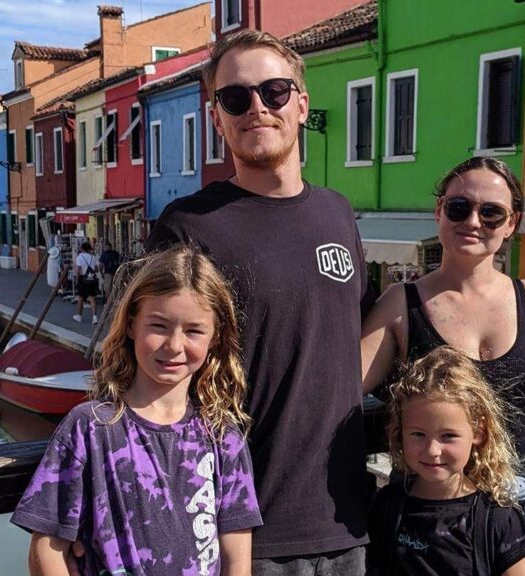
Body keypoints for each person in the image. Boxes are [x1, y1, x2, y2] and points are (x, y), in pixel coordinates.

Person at [145, 29, 373, 575]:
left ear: (301, 103)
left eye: (273, 92)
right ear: (217, 117)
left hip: (348, 520)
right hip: (243, 533)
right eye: (234, 98)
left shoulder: (338, 213)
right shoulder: (187, 226)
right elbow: (138, 372)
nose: (256, 108)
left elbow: (357, 335)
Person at [361, 157, 525, 576]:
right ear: (439, 211)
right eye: (459, 207)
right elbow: (339, 393)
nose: (473, 221)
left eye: (491, 212)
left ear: (512, 223)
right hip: (450, 524)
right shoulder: (401, 305)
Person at [12, 245, 262, 576]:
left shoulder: (223, 437)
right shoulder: (89, 428)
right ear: (131, 324)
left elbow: (237, 559)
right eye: (158, 326)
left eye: (193, 330)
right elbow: (47, 549)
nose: (174, 345)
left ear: (215, 337)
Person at [367, 346, 525, 576]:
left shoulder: (498, 521)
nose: (433, 450)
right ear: (399, 432)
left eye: (448, 436)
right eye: (418, 434)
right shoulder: (386, 507)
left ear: (478, 432)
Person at [74, 241, 100, 325]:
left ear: (82, 248)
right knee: (92, 297)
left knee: (81, 297)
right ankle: (94, 317)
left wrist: (77, 280)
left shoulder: (80, 257)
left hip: (83, 278)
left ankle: (79, 315)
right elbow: (96, 269)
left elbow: (78, 270)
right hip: (91, 279)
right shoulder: (92, 257)